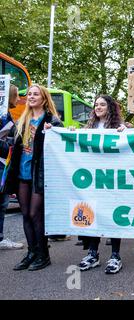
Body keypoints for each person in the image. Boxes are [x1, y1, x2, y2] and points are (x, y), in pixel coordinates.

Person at [0, 85, 63, 270]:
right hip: (21, 174)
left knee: (36, 214)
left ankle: (43, 254)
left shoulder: (52, 121)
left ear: (44, 99)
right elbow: (10, 148)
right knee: (26, 215)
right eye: (29, 94)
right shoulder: (22, 121)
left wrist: (52, 133)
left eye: (36, 94)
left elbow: (62, 145)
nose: (31, 97)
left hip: (40, 175)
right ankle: (31, 252)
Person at [77, 95, 126, 274]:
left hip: (112, 181)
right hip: (93, 181)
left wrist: (125, 132)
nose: (98, 107)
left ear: (110, 107)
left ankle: (115, 255)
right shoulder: (89, 127)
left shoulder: (118, 127)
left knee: (114, 216)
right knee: (92, 214)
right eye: (96, 104)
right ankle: (93, 253)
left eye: (102, 104)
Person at [0, 84, 24, 250]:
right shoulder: (3, 116)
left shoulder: (6, 114)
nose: (19, 99)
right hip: (2, 163)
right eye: (16, 96)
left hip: (3, 164)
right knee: (2, 202)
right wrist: (11, 145)